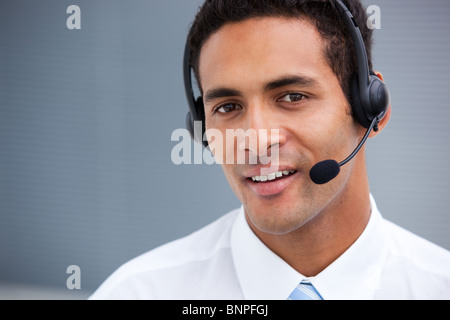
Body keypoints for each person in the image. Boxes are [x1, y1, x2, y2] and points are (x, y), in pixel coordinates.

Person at [90, 0, 450, 300]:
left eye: (293, 97)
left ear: (373, 108)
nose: (255, 141)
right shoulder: (138, 292)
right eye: (228, 107)